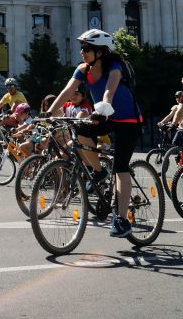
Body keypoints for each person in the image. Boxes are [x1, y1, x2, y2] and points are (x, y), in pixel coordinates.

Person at [46, 29, 142, 238]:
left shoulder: (113, 66)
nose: (82, 51)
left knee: (121, 167)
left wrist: (103, 106)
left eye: (87, 48)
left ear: (101, 51)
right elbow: (67, 92)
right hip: (105, 117)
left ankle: (122, 220)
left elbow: (110, 90)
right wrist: (48, 113)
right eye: (81, 47)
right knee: (79, 130)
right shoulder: (83, 69)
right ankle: (98, 171)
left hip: (127, 119)